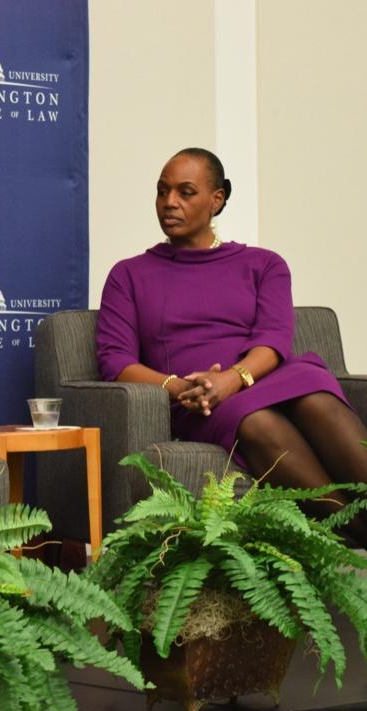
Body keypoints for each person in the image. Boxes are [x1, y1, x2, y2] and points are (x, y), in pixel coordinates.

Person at [96, 147, 367, 546]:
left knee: (316, 398)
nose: (170, 202)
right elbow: (114, 361)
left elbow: (274, 339)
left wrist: (233, 380)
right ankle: (357, 533)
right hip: (198, 400)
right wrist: (179, 387)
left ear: (216, 199)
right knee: (256, 422)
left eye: (185, 192)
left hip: (262, 375)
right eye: (162, 191)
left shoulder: (264, 264)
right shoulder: (128, 275)